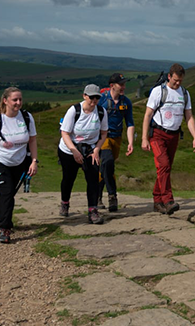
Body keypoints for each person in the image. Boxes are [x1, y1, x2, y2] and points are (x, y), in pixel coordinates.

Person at [0, 87, 39, 244]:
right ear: (5, 101)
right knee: (8, 192)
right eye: (14, 100)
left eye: (20, 99)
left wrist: (34, 161)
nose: (18, 103)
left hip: (19, 162)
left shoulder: (26, 117)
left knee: (7, 194)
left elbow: (32, 140)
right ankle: (5, 228)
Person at [141, 63, 195, 214]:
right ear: (169, 76)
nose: (178, 83)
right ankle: (168, 200)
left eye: (180, 81)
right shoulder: (158, 91)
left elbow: (189, 116)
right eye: (175, 80)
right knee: (164, 165)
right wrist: (144, 138)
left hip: (173, 135)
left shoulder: (185, 94)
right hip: (158, 134)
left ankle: (157, 200)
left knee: (164, 169)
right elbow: (148, 115)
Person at [58, 84, 109, 224]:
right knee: (69, 178)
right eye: (91, 97)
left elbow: (104, 133)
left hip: (90, 149)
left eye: (97, 97)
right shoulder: (74, 111)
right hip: (69, 149)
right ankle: (65, 202)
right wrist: (74, 151)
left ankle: (92, 210)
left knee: (93, 179)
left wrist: (97, 149)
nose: (94, 100)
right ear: (84, 96)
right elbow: (65, 133)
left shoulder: (101, 112)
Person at [98, 73, 136, 212]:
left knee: (105, 168)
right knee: (107, 162)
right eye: (121, 84)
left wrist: (130, 142)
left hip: (117, 138)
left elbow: (130, 123)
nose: (123, 87)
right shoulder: (101, 99)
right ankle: (112, 196)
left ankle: (97, 196)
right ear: (112, 86)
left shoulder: (126, 102)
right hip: (103, 137)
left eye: (124, 84)